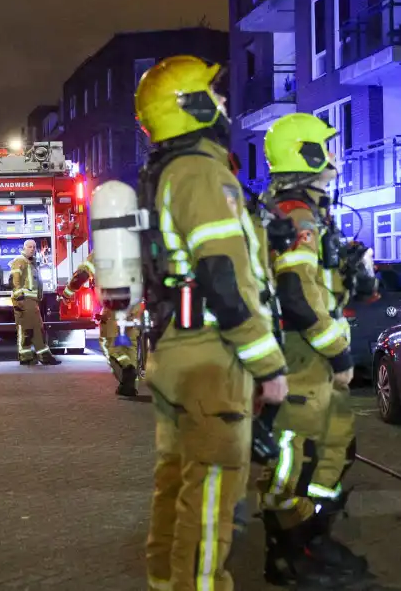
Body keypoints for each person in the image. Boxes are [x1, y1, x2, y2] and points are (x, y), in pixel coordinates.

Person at [135, 55, 288, 591]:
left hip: (177, 348)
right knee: (212, 496)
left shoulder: (169, 173)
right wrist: (267, 363)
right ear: (193, 106)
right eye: (214, 94)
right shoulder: (202, 173)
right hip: (211, 357)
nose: (223, 103)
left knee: (176, 480)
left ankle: (163, 579)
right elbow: (224, 277)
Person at [257, 112, 376, 588]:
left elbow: (317, 287)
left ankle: (310, 539)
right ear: (305, 154)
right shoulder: (296, 214)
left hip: (310, 360)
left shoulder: (304, 212)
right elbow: (296, 297)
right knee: (294, 462)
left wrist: (351, 272)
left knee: (335, 452)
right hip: (302, 358)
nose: (333, 157)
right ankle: (291, 551)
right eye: (325, 147)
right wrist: (341, 355)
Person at [62, 253, 139, 396]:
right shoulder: (135, 244)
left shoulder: (102, 250)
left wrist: (67, 293)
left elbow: (81, 277)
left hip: (115, 303)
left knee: (107, 342)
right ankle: (129, 385)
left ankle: (126, 368)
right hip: (135, 304)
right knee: (130, 342)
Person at [9, 239, 61, 365]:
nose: (32, 249)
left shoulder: (31, 263)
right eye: (29, 247)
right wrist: (19, 297)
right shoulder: (20, 261)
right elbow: (14, 280)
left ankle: (27, 357)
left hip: (30, 300)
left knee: (28, 329)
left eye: (34, 247)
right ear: (24, 248)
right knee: (35, 328)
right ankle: (44, 356)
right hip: (25, 300)